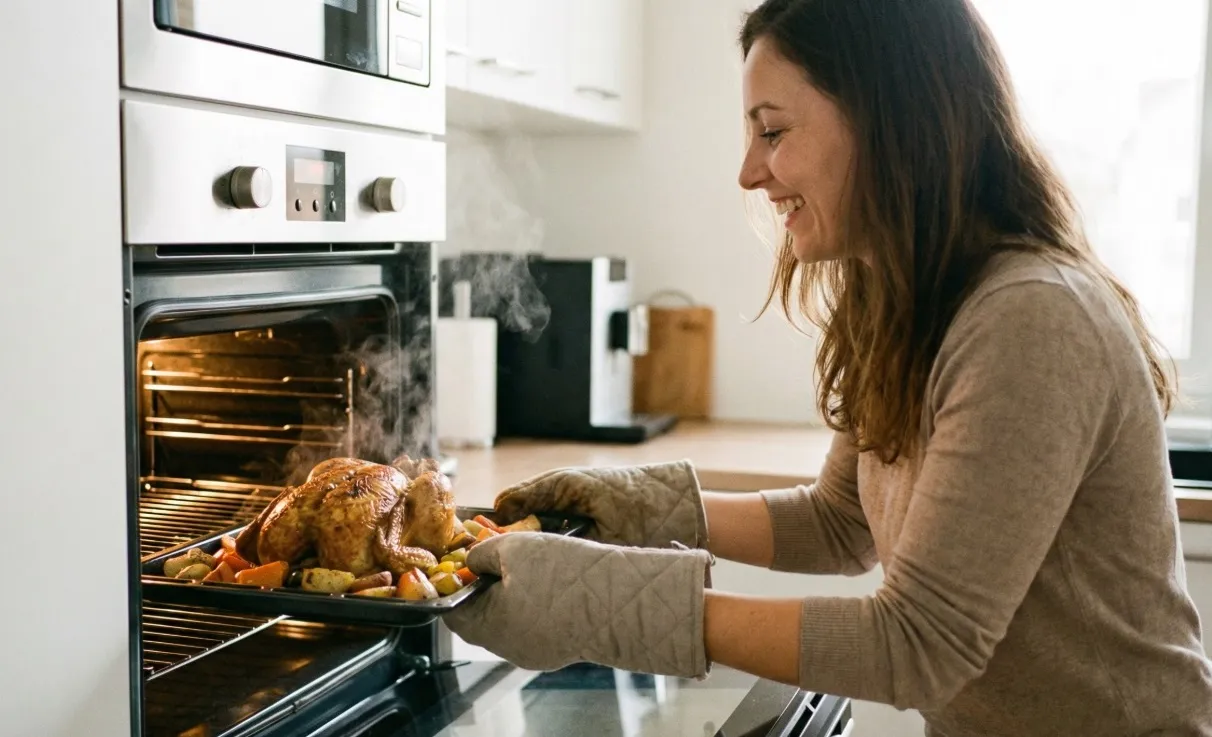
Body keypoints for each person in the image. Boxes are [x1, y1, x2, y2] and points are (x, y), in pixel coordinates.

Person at [443, 0, 1212, 734]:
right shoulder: (904, 296)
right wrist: (649, 506)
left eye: (772, 131)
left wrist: (608, 602)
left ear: (890, 122)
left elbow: (921, 642)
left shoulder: (1031, 316)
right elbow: (843, 522)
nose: (750, 171)